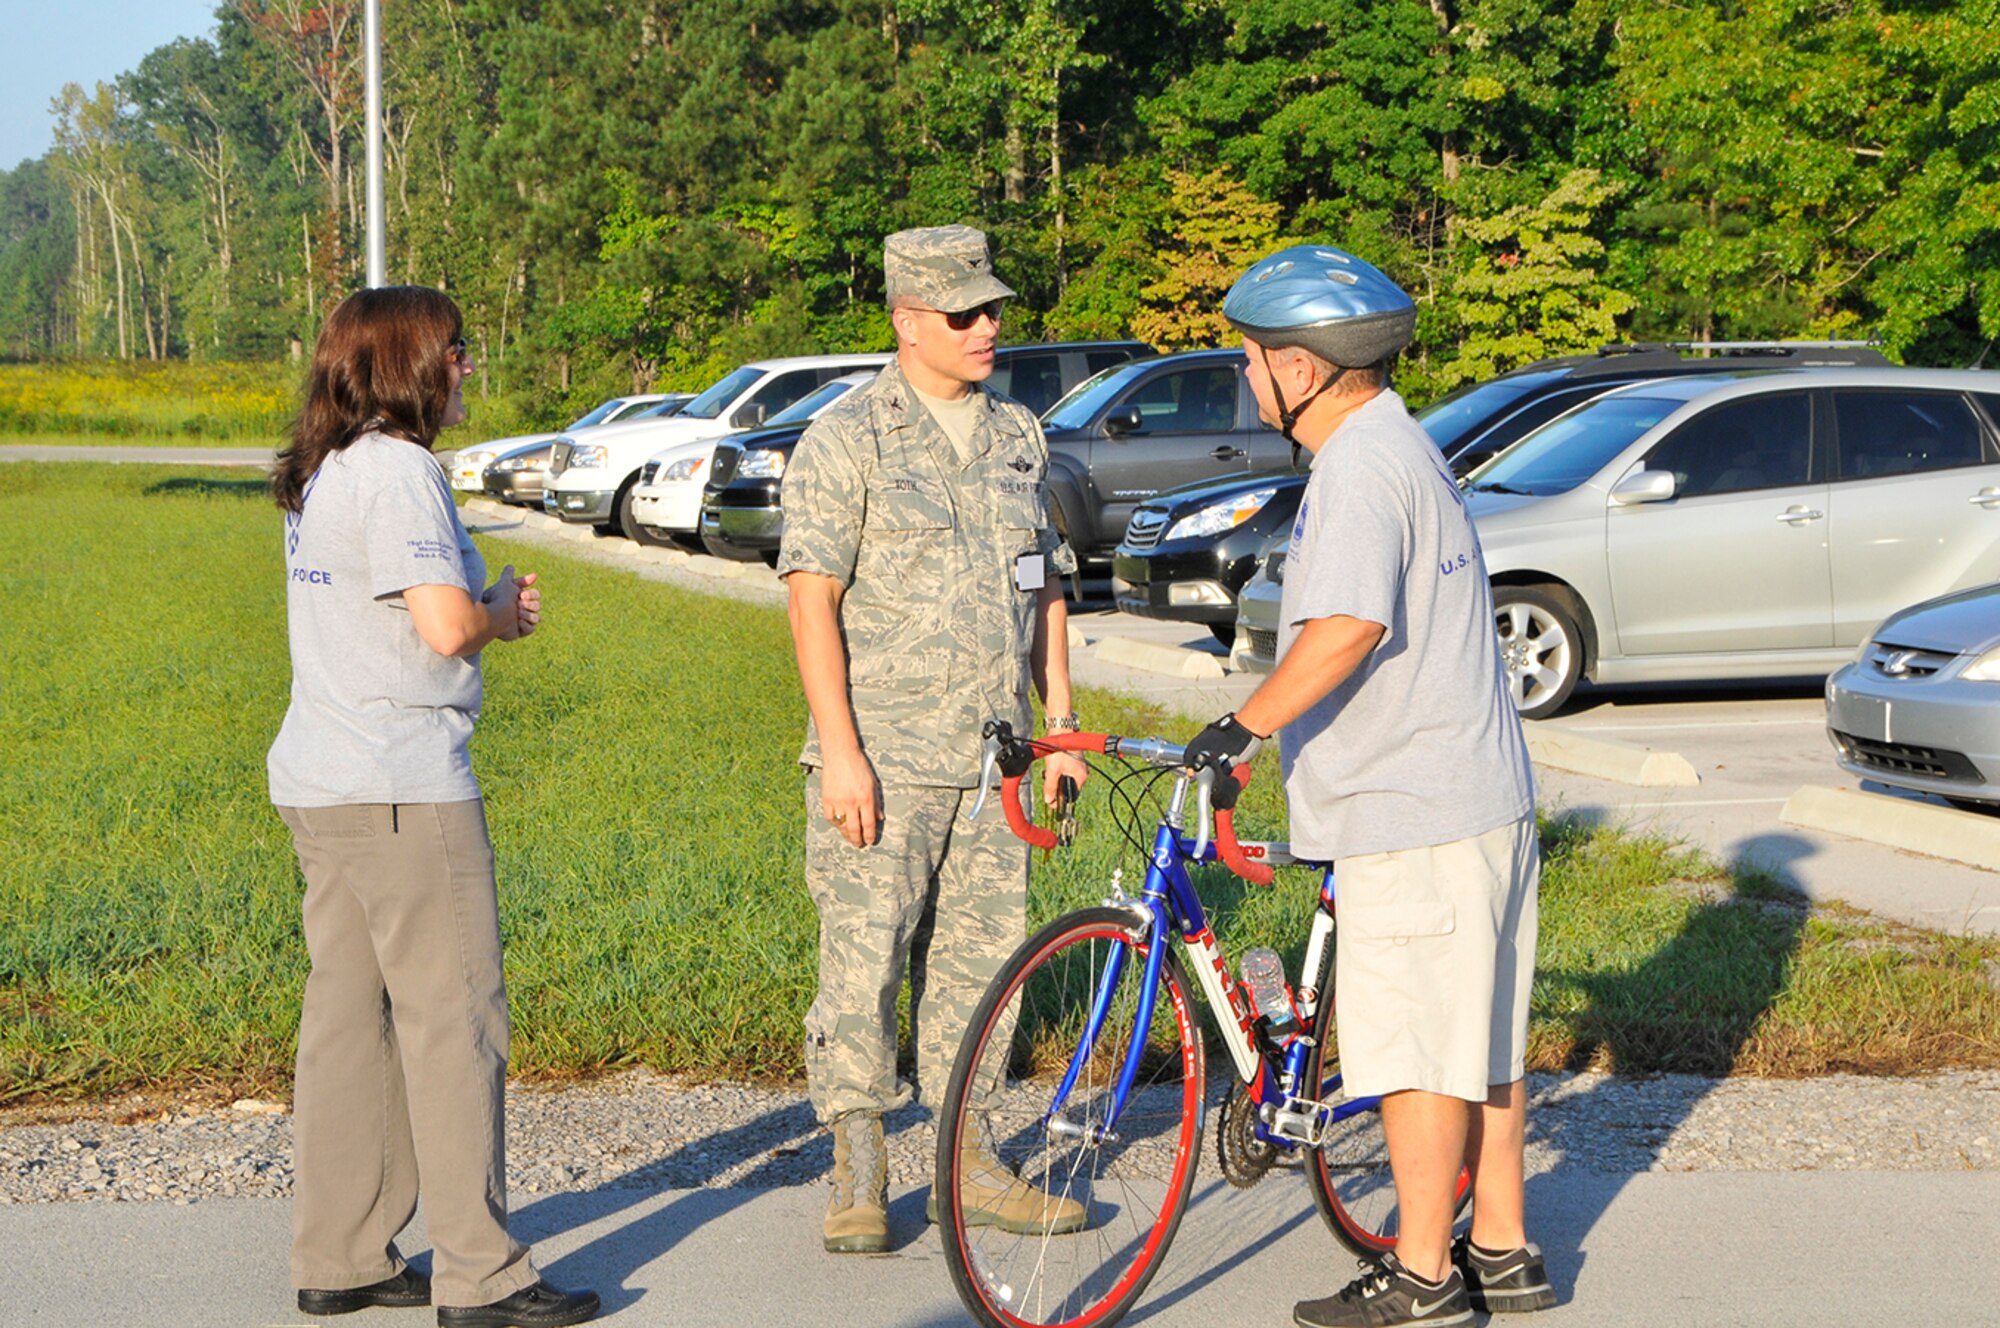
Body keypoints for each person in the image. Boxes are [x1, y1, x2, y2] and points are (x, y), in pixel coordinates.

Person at [1181, 246, 1552, 1328]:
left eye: (1247, 356)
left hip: (1412, 808)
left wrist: (1238, 728)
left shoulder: (1353, 467)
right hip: (1472, 790)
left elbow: (1347, 626)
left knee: (1417, 1047)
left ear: (1296, 366)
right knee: (1478, 1032)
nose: (1242, 374)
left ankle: (1424, 1273)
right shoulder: (1404, 441)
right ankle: (1502, 1246)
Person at [268, 286, 599, 1328]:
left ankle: (344, 1251)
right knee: (456, 1024)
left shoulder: (322, 471)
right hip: (405, 785)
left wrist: (476, 611)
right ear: (410, 360)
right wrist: (500, 611)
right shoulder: (404, 473)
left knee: (346, 1027)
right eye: (457, 350)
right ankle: (482, 1275)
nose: (468, 365)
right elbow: (445, 626)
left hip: (323, 781)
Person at [778, 224, 1091, 1253]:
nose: (986, 326)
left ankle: (969, 1157)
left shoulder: (1016, 435)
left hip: (993, 759)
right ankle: (859, 1165)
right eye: (963, 313)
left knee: (981, 964)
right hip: (885, 757)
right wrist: (842, 750)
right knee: (863, 961)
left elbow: (1044, 588)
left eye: (992, 308)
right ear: (907, 321)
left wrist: (1060, 728)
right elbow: (810, 602)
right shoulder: (846, 439)